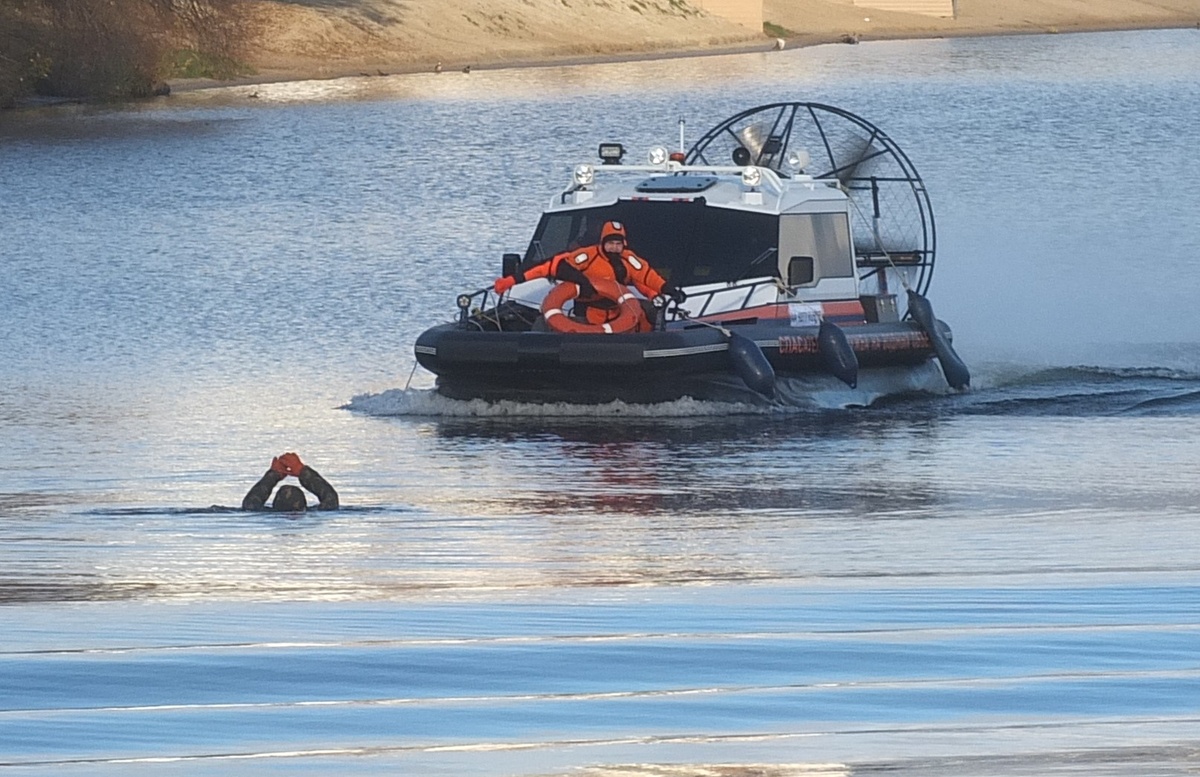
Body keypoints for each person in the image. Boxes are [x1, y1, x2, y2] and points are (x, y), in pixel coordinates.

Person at [493, 220, 687, 329]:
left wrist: (670, 290)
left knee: (648, 313)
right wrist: (512, 280)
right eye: (610, 243)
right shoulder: (587, 255)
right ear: (603, 242)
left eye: (618, 244)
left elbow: (648, 277)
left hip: (618, 312)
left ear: (624, 244)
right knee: (544, 323)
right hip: (587, 313)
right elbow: (551, 267)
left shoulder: (629, 259)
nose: (614, 247)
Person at [242, 452, 339, 512]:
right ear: (303, 505)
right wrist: (303, 471)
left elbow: (250, 505)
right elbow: (331, 498)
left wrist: (272, 476)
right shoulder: (317, 512)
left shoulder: (256, 511)